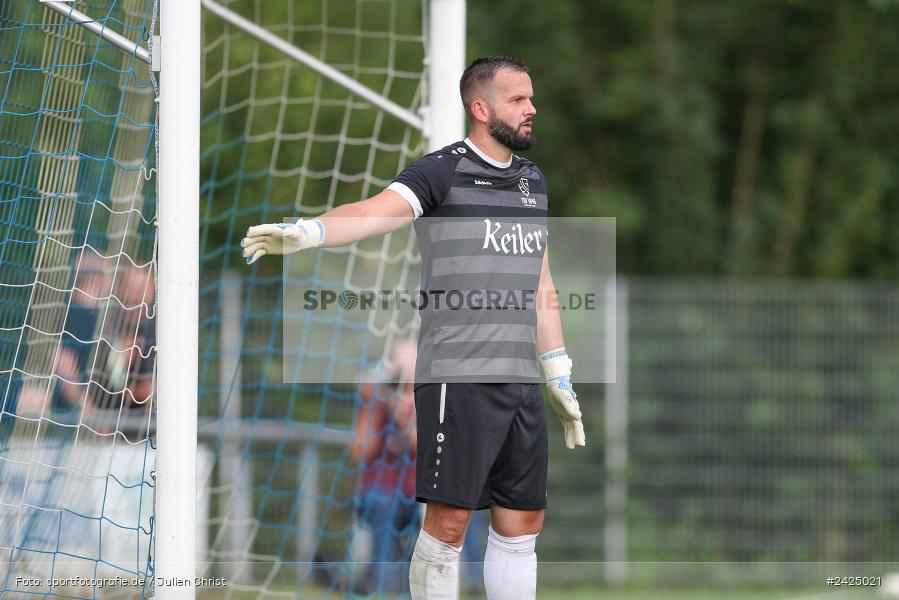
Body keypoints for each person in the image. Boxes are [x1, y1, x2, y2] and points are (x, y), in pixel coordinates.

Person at [241, 56, 586, 600]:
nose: (531, 108)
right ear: (481, 108)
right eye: (518, 99)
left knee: (521, 526)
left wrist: (558, 371)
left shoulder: (532, 181)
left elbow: (540, 278)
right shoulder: (440, 171)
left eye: (531, 98)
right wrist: (310, 232)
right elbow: (376, 211)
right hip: (457, 376)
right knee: (448, 526)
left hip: (519, 380)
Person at [349, 339, 419, 594]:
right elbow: (359, 451)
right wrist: (372, 405)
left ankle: (413, 582)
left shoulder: (426, 400)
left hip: (417, 495)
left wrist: (405, 416)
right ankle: (383, 583)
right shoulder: (376, 402)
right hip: (380, 493)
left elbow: (430, 451)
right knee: (383, 503)